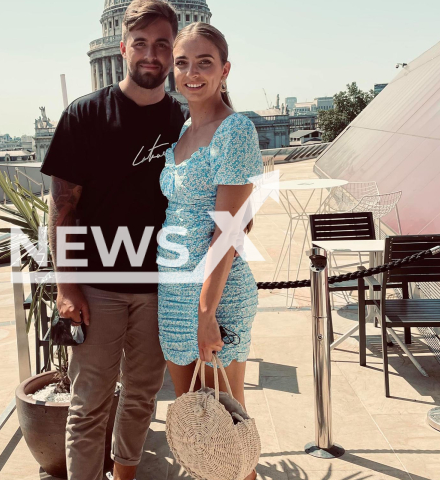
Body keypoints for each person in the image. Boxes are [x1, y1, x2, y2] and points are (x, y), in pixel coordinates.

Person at [40, 1, 188, 479]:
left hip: (160, 285)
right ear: (122, 48)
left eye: (162, 45)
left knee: (143, 395)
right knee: (89, 403)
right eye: (141, 44)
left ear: (172, 52)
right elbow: (61, 207)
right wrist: (66, 286)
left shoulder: (184, 123)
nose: (151, 54)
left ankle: (124, 476)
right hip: (98, 285)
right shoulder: (84, 115)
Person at [157, 22, 262, 480]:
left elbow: (228, 231)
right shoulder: (181, 133)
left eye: (204, 62)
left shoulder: (235, 129)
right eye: (183, 63)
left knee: (227, 429)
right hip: (173, 293)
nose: (192, 73)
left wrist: (206, 310)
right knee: (195, 429)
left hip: (213, 297)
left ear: (225, 71)